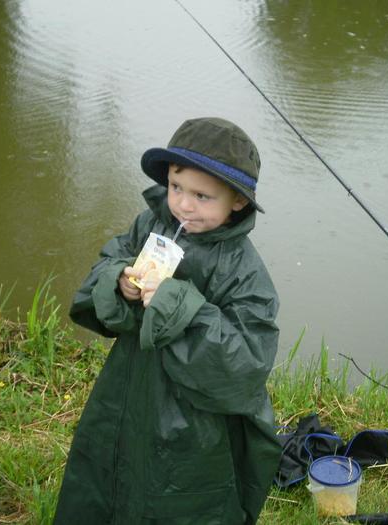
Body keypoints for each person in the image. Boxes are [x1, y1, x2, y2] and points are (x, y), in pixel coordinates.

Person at [54, 117, 281, 524]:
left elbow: (246, 364)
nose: (184, 205)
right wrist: (119, 283)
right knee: (109, 472)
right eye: (176, 187)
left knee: (176, 494)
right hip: (124, 391)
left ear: (237, 201)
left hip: (196, 424)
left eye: (202, 196)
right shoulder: (150, 225)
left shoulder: (244, 271)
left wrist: (178, 306)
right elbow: (104, 267)